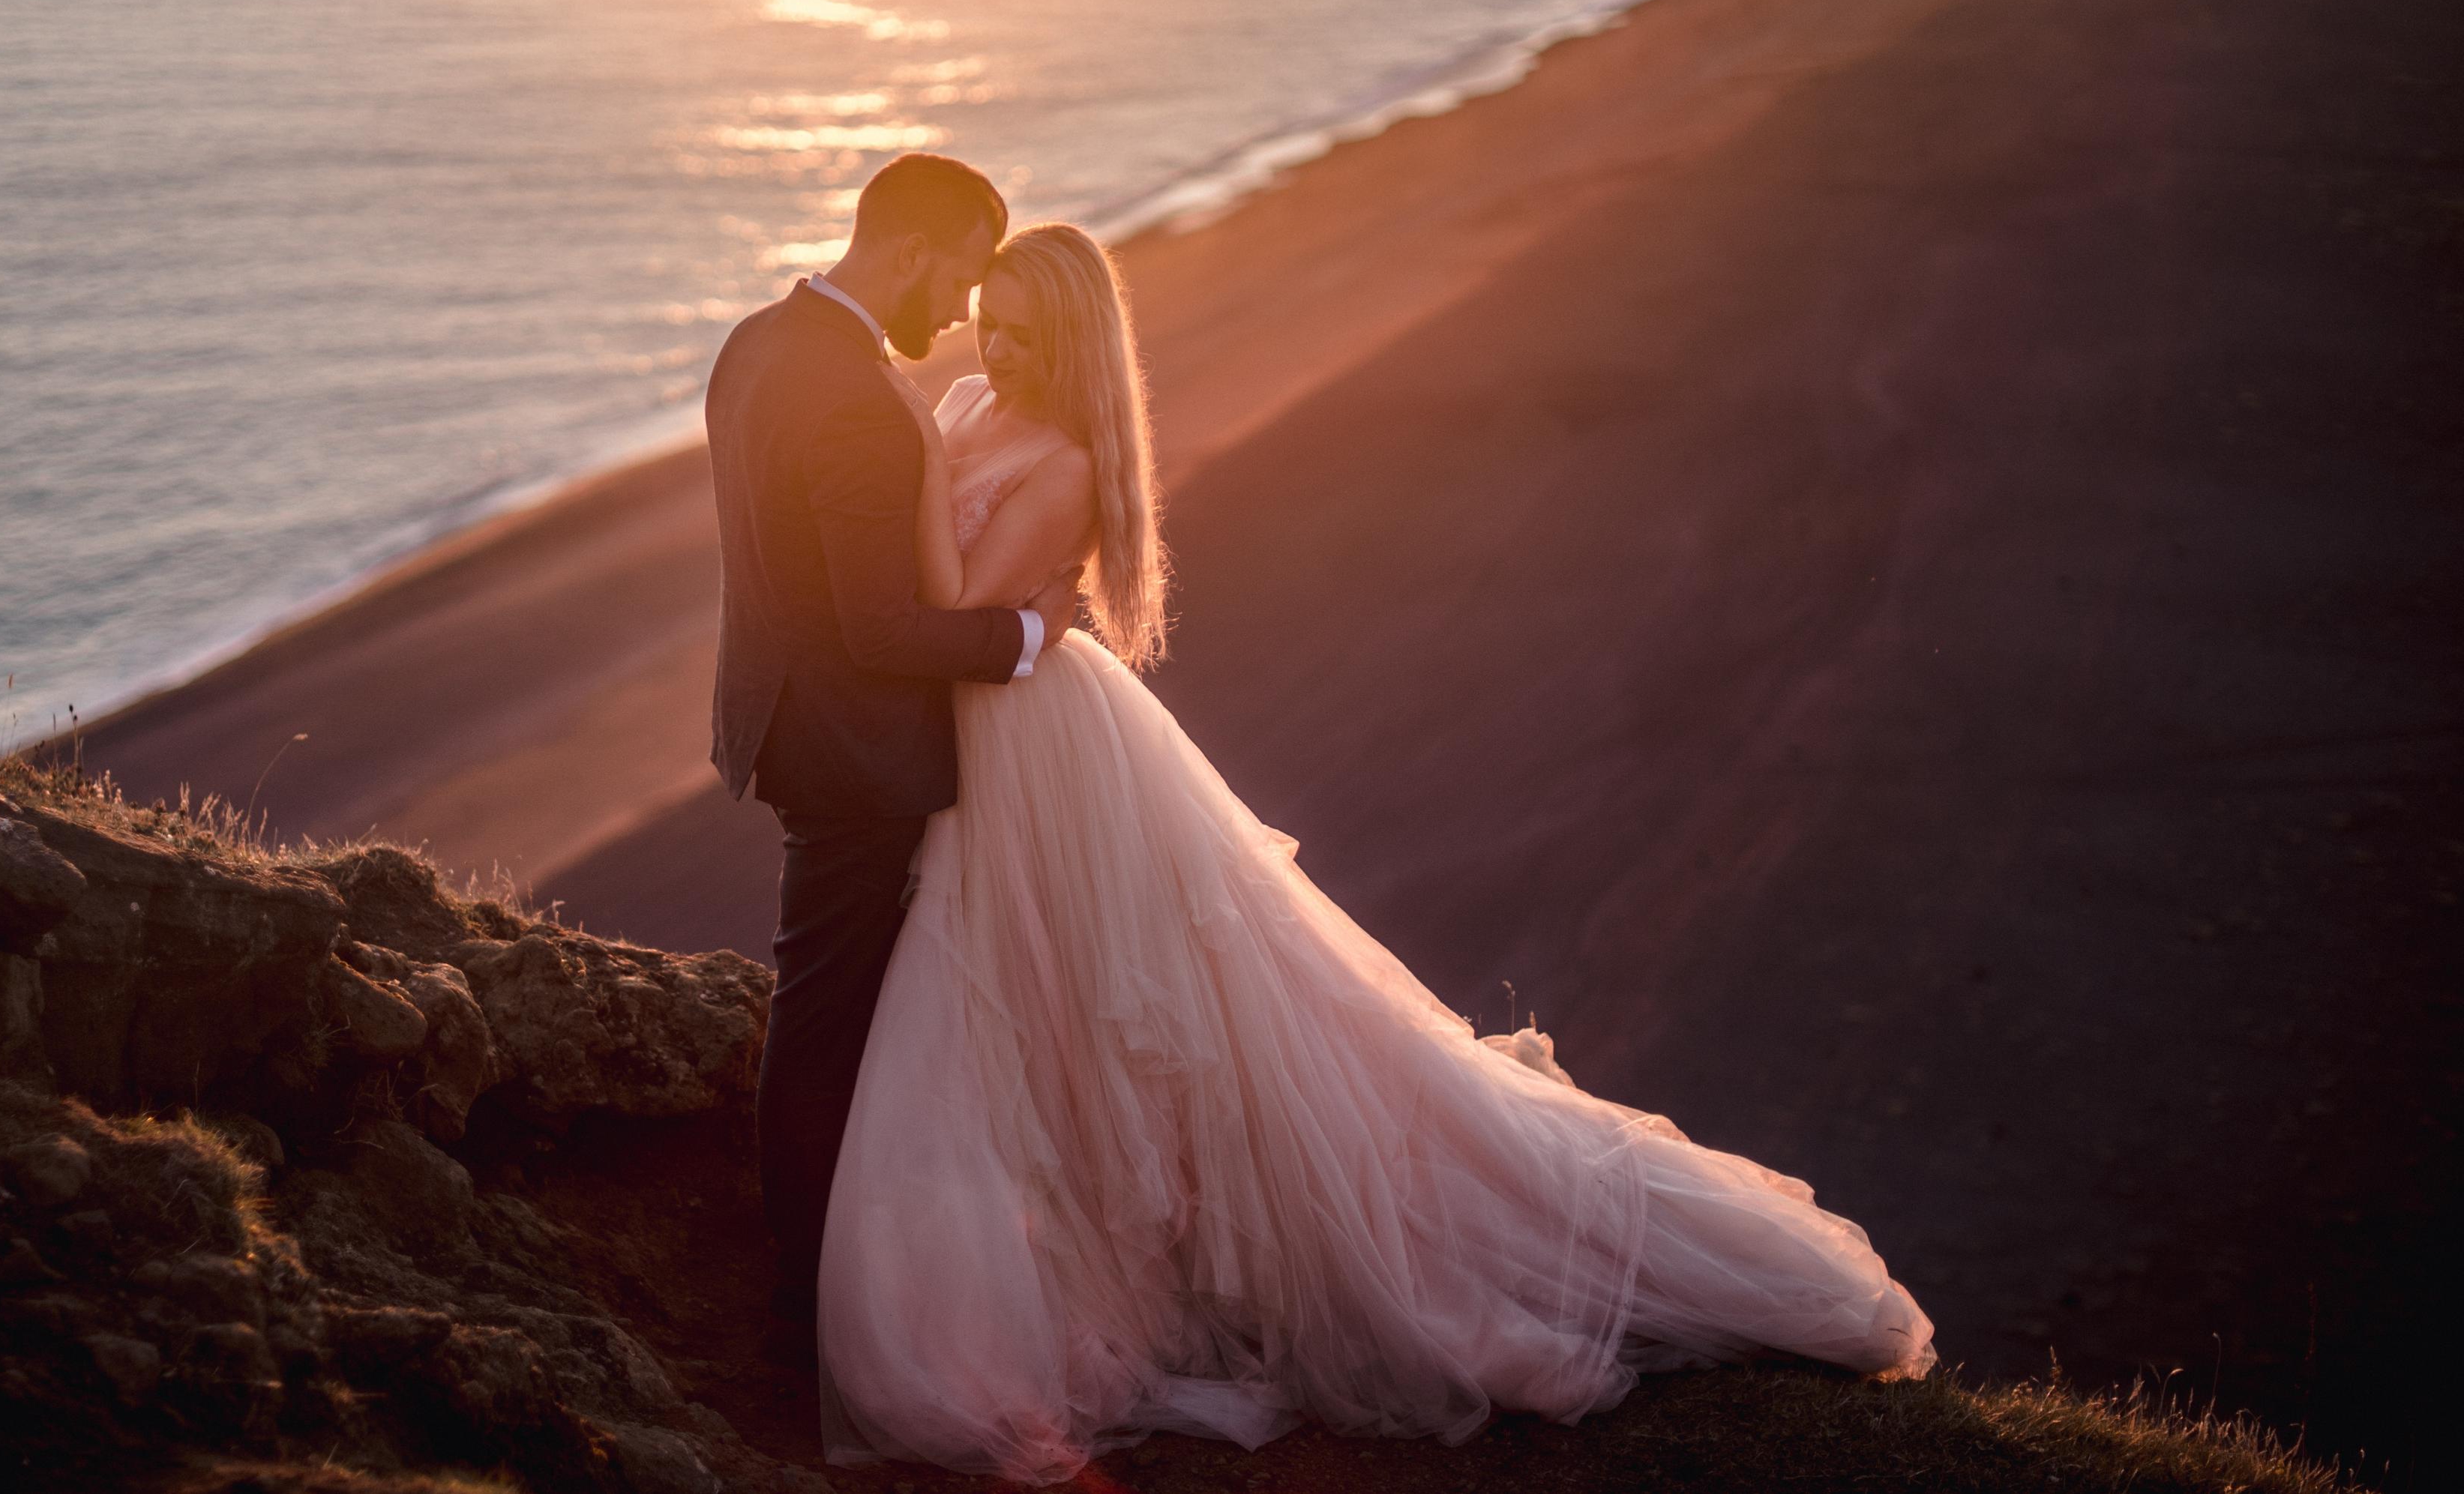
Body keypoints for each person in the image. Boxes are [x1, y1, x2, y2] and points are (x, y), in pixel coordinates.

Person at [811, 216, 1938, 1482]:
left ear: (1074, 343)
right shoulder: (964, 397)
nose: (999, 352)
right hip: (978, 746)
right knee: (1036, 1003)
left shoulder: (1066, 459)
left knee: (1129, 1005)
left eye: (1028, 335)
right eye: (991, 323)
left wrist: (904, 464)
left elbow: (958, 611)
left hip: (1034, 746)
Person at [703, 153, 1082, 1334]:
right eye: (965, 278)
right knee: (827, 1021)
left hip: (775, 718)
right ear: (913, 251)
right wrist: (1023, 635)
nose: (966, 313)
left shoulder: (757, 342)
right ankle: (811, 1293)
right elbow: (880, 629)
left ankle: (841, 1261)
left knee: (837, 1005)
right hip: (853, 753)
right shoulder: (861, 400)